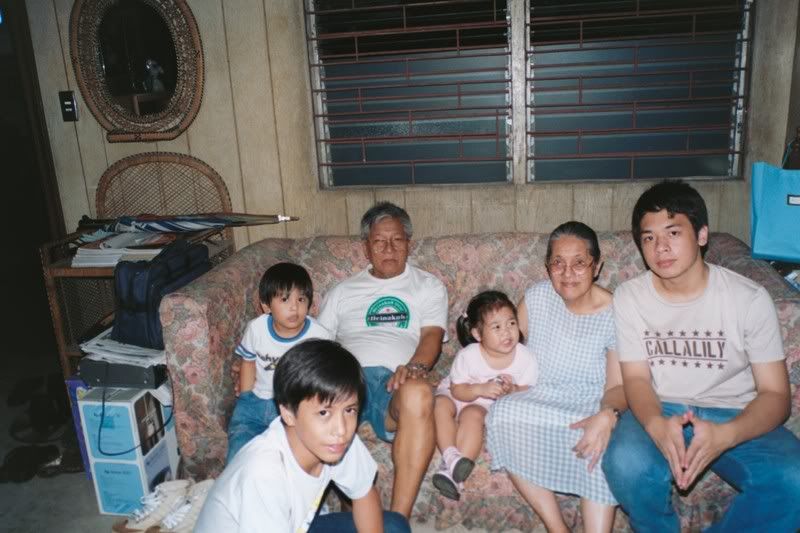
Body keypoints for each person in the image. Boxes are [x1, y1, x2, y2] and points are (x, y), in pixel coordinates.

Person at [602, 180, 800, 532]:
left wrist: (730, 434)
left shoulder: (748, 299)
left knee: (794, 479)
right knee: (625, 461)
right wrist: (654, 425)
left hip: (734, 410)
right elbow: (635, 379)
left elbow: (775, 395)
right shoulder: (630, 297)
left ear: (702, 235)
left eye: (673, 232)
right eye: (648, 238)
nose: (661, 247)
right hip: (661, 405)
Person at [487, 221, 626, 533]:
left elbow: (618, 385)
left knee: (603, 440)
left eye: (579, 263)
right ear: (547, 266)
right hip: (540, 395)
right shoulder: (536, 297)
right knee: (502, 413)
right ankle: (556, 527)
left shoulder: (617, 311)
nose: (567, 273)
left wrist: (607, 415)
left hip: (590, 403)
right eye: (558, 263)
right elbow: (507, 351)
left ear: (597, 265)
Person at [196, 339, 411, 533]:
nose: (342, 429)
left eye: (350, 410)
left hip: (292, 525)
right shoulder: (263, 471)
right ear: (288, 413)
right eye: (324, 413)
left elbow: (364, 494)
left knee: (394, 527)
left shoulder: (335, 440)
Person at [317, 202, 448, 517]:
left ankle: (397, 521)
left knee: (419, 391)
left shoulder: (427, 285)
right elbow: (314, 342)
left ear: (408, 244)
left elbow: (432, 336)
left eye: (397, 240)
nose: (389, 248)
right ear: (366, 247)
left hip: (393, 381)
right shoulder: (343, 291)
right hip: (344, 380)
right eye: (379, 241)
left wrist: (415, 368)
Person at [432, 290, 538, 501]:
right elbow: (457, 390)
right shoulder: (468, 356)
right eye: (496, 327)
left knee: (473, 415)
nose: (507, 332)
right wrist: (479, 389)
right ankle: (451, 456)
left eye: (511, 323)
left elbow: (529, 389)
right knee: (440, 405)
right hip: (459, 391)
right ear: (478, 334)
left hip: (482, 404)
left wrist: (513, 390)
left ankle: (454, 476)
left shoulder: (525, 358)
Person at [226, 262, 332, 464]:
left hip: (295, 408)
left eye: (301, 299)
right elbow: (248, 363)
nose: (294, 307)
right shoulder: (256, 329)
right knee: (239, 453)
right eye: (284, 299)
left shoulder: (319, 336)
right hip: (255, 404)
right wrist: (246, 397)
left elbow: (325, 375)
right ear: (266, 306)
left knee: (287, 461)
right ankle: (236, 487)